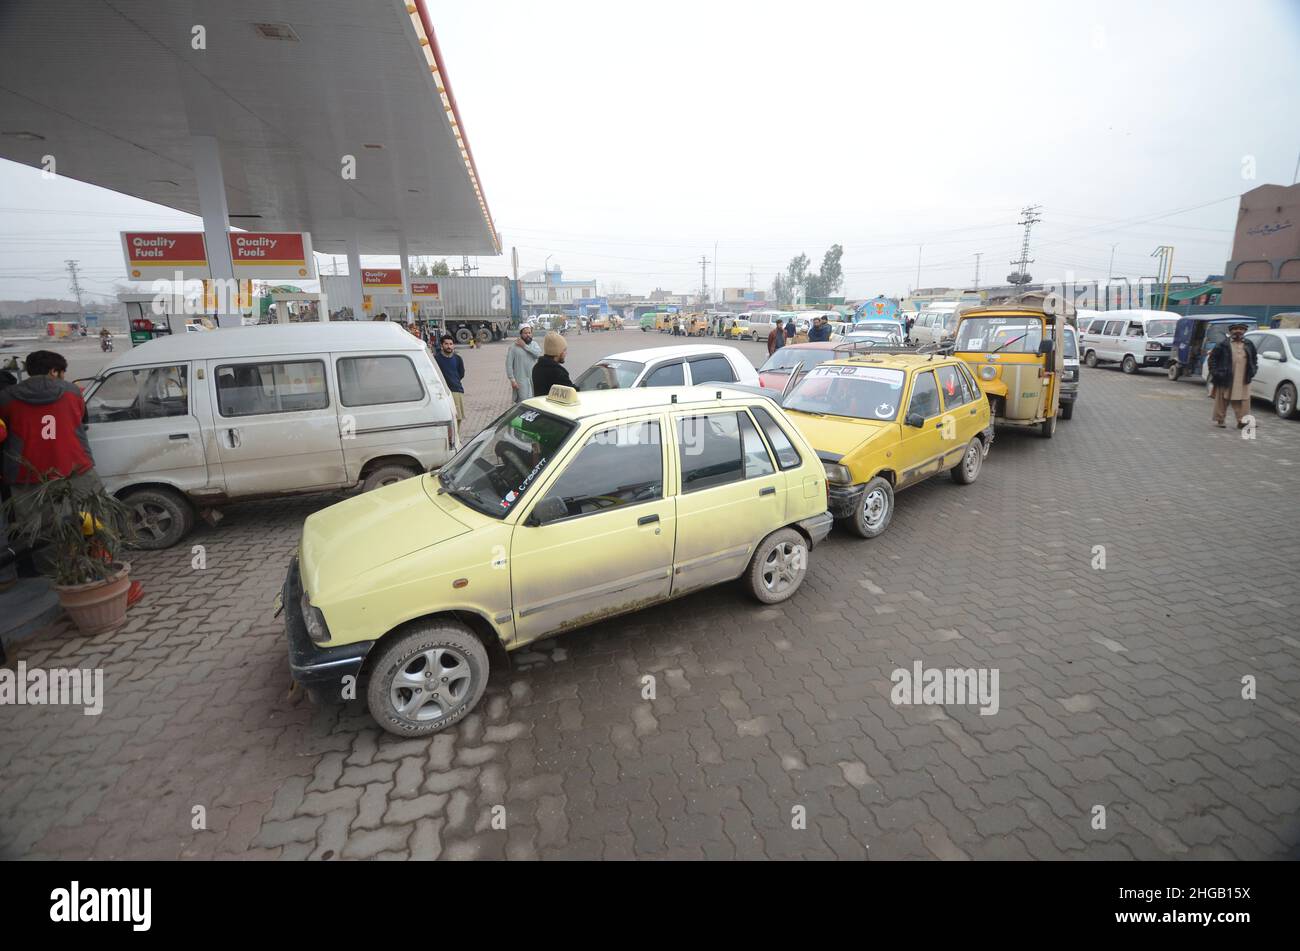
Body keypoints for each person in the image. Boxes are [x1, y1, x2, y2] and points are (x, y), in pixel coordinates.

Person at [1207, 322, 1257, 429]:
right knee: (1222, 399)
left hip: (1243, 377)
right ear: (1230, 332)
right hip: (1225, 376)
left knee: (1243, 401)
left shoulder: (1249, 344)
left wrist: (1253, 370)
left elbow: (1254, 359)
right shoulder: (1223, 344)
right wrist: (1215, 372)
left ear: (1244, 332)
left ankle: (1242, 421)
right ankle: (1220, 420)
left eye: (1241, 329)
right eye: (1235, 329)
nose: (1238, 331)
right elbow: (1212, 359)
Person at [433, 335, 466, 424]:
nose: (449, 346)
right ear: (442, 345)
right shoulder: (436, 359)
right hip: (442, 393)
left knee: (458, 418)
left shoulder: (457, 359)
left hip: (456, 391)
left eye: (451, 344)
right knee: (447, 419)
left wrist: (454, 381)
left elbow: (461, 374)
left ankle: (457, 437)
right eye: (446, 344)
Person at [506, 324, 542, 402]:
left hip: (534, 379)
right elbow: (508, 365)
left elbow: (538, 354)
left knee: (535, 401)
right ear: (521, 334)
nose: (528, 335)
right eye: (525, 333)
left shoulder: (534, 345)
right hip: (521, 380)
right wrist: (512, 380)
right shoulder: (513, 347)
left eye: (529, 333)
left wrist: (525, 346)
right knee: (523, 401)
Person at [532, 331, 573, 396]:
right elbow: (572, 392)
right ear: (558, 351)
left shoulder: (537, 367)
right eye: (564, 350)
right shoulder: (558, 372)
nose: (566, 353)